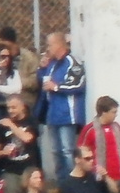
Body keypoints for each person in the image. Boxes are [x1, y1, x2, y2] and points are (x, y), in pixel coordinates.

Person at [35, 31, 86, 181]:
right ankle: (61, 182)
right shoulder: (52, 63)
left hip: (67, 114)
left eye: (50, 45)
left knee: (67, 150)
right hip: (52, 114)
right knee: (56, 151)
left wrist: (56, 87)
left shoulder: (73, 62)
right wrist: (41, 68)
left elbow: (78, 84)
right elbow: (42, 81)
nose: (48, 48)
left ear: (59, 44)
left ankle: (73, 180)